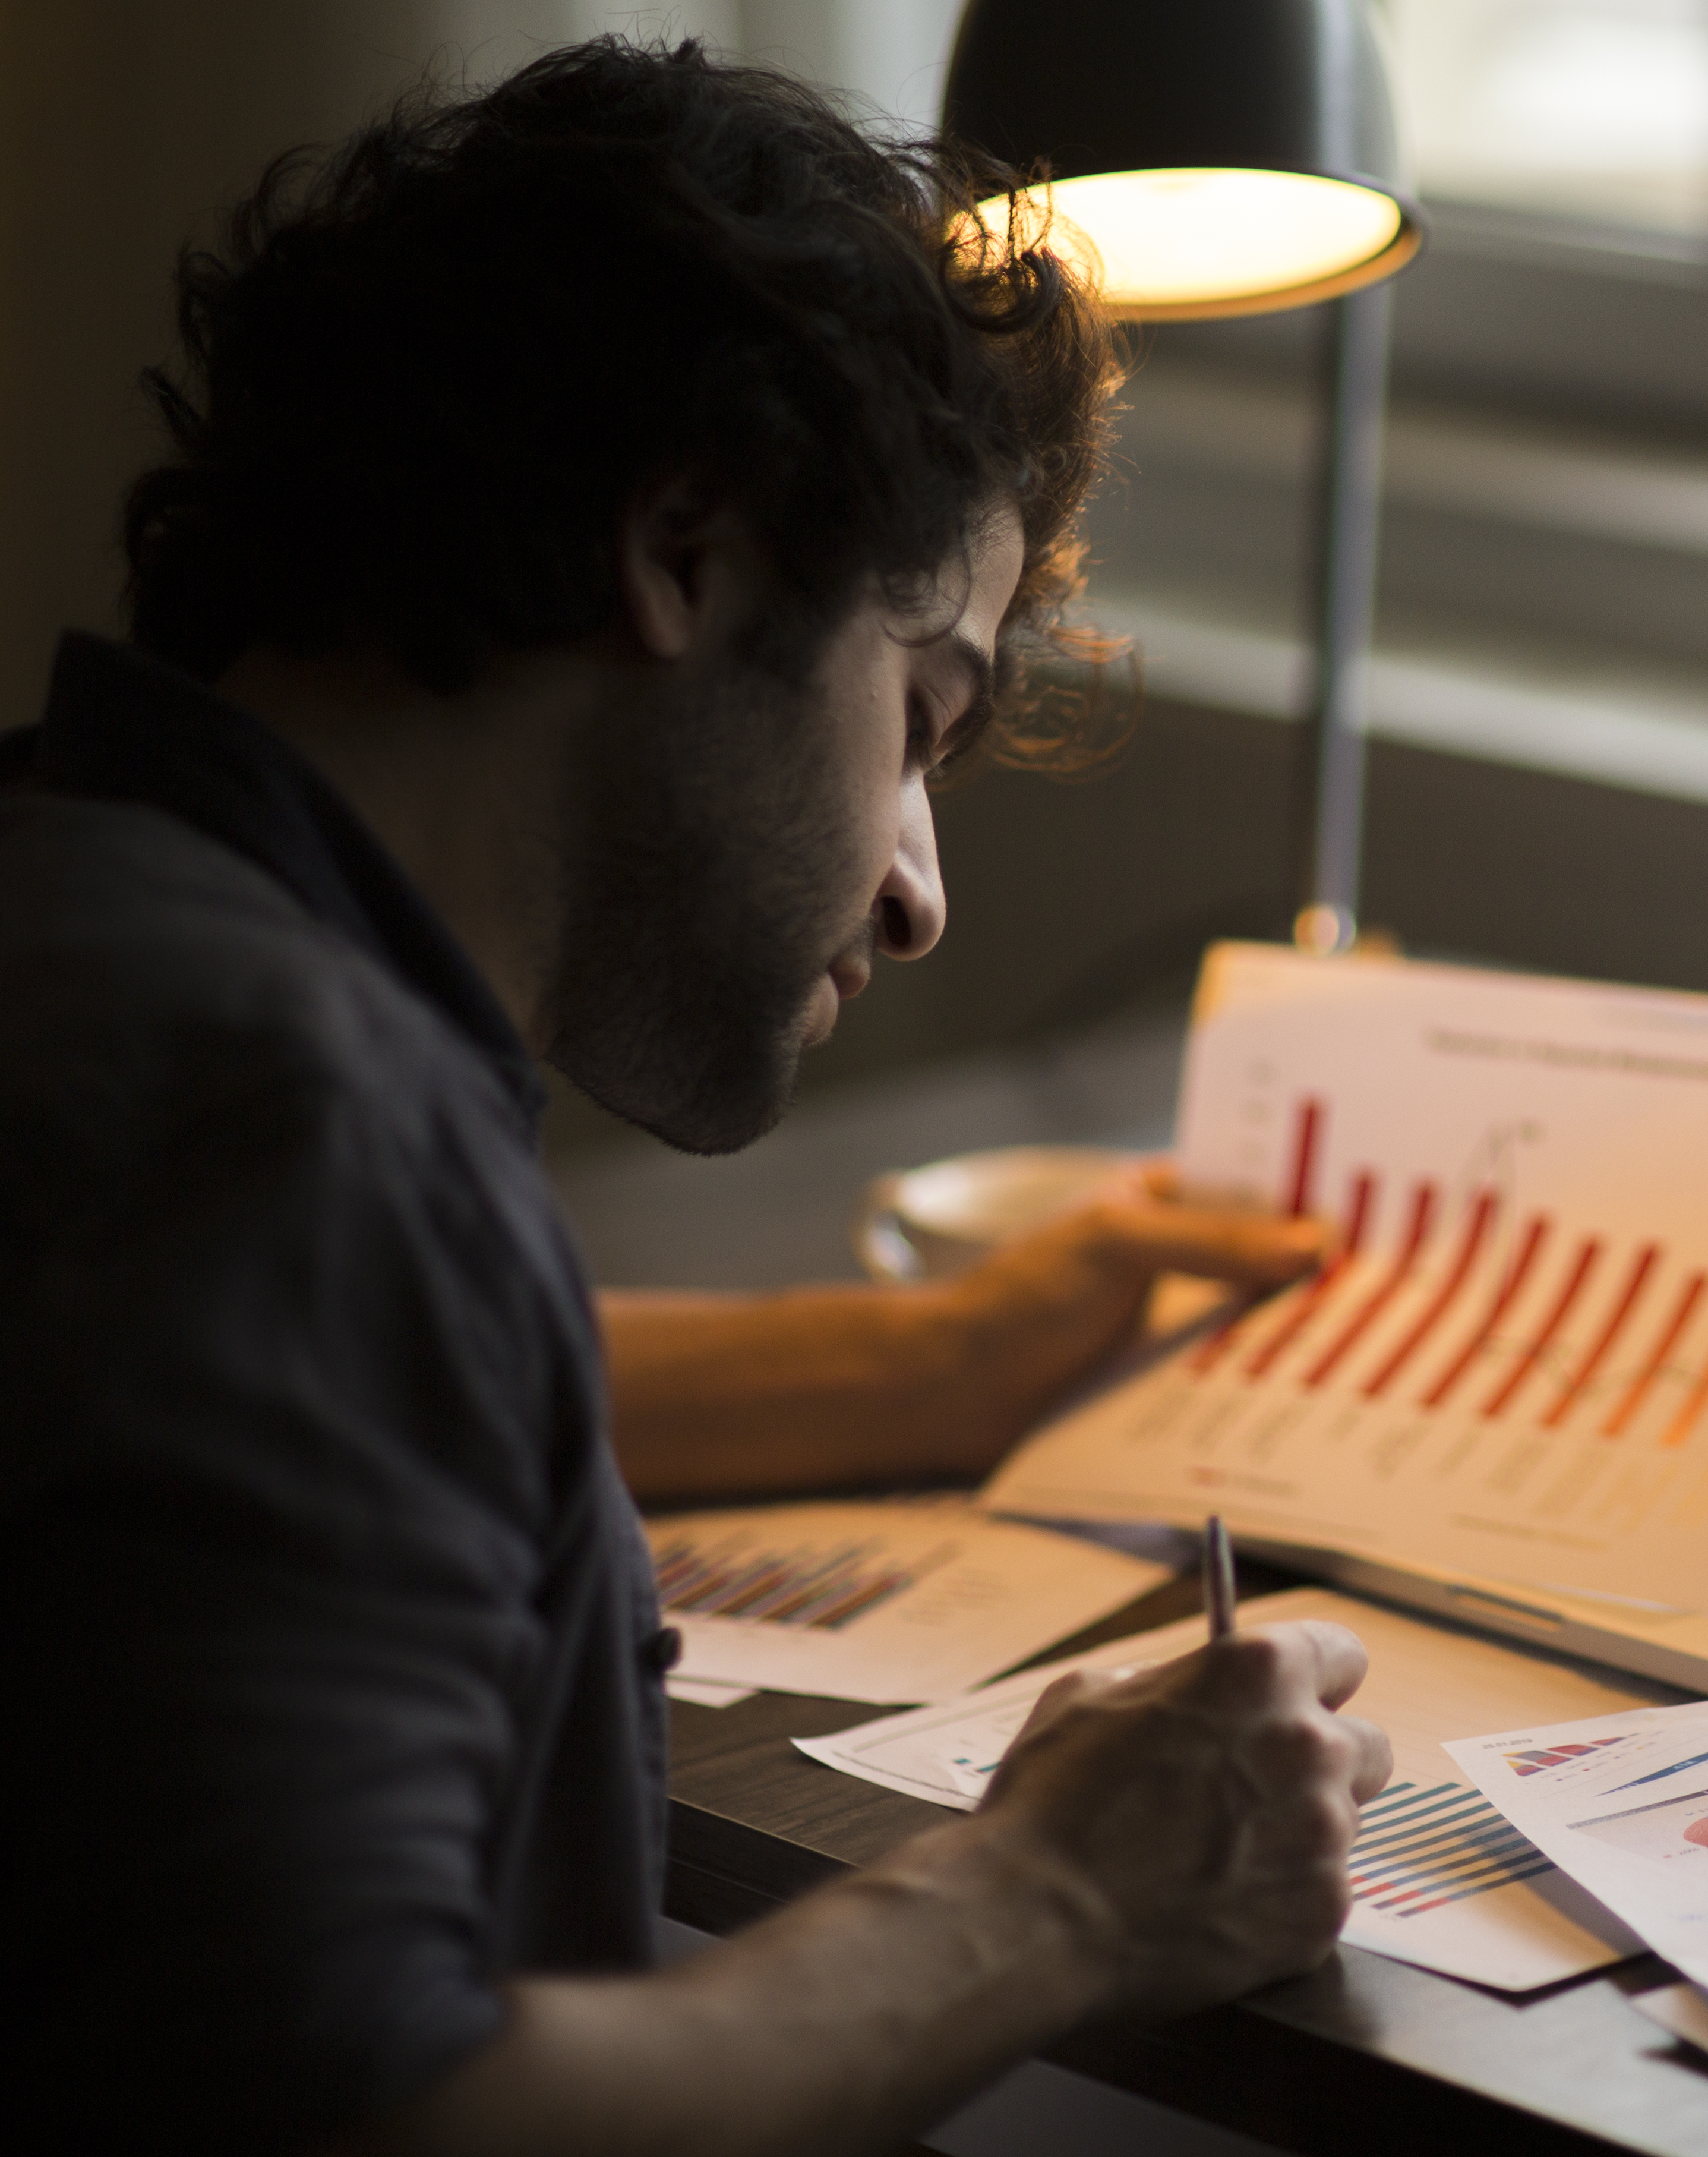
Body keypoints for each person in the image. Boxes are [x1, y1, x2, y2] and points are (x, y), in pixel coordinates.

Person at [0, 39, 1393, 2154]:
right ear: (684, 549)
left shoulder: (97, 924)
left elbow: (328, 1406)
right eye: (920, 714)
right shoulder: (294, 1128)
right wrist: (1054, 1895)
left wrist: (942, 1360)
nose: (920, 893)